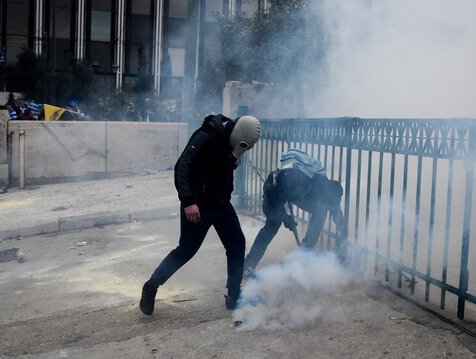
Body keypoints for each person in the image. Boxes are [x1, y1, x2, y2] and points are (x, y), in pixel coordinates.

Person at [139, 113, 262, 315]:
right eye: (242, 146)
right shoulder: (206, 135)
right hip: (198, 206)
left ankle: (233, 295)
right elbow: (182, 166)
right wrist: (188, 201)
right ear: (237, 133)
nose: (241, 150)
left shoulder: (232, 141)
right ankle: (151, 286)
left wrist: (233, 158)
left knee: (237, 244)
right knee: (186, 250)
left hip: (222, 204)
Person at [243, 149, 345, 277]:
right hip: (275, 190)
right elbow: (274, 198)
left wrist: (344, 234)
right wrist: (285, 217)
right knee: (273, 223)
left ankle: (305, 253)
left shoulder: (327, 189)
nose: (328, 208)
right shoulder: (298, 181)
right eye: (326, 205)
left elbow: (336, 213)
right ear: (320, 198)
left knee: (320, 212)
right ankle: (248, 265)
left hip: (299, 194)